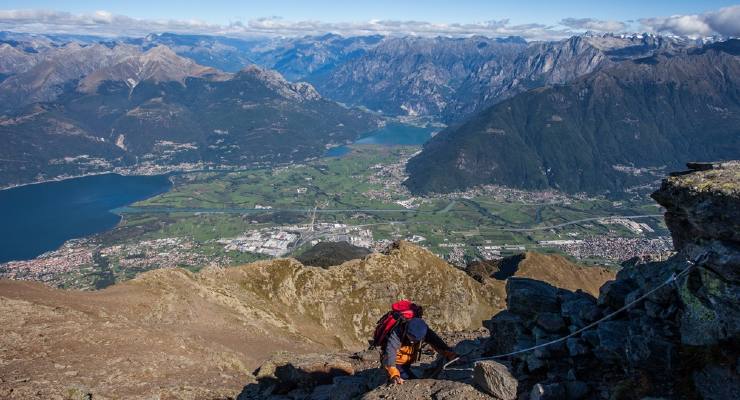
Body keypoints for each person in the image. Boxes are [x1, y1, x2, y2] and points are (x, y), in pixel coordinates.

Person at [382, 317, 457, 384]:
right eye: (410, 338)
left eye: (415, 340)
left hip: (407, 359)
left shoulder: (424, 330)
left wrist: (449, 353)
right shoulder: (397, 333)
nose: (412, 342)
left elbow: (437, 342)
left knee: (409, 374)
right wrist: (394, 374)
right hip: (396, 362)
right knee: (408, 380)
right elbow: (390, 353)